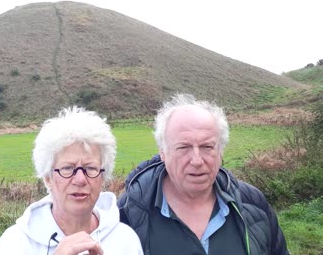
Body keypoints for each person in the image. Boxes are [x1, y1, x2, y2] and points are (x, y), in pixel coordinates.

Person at [117, 94, 289, 255]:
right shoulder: (128, 210)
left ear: (220, 151)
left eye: (207, 147)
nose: (197, 161)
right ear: (163, 153)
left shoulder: (253, 202)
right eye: (183, 148)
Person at [0, 106, 143, 255]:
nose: (80, 179)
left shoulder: (125, 241)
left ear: (102, 177)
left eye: (90, 168)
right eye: (68, 168)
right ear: (48, 177)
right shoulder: (15, 244)